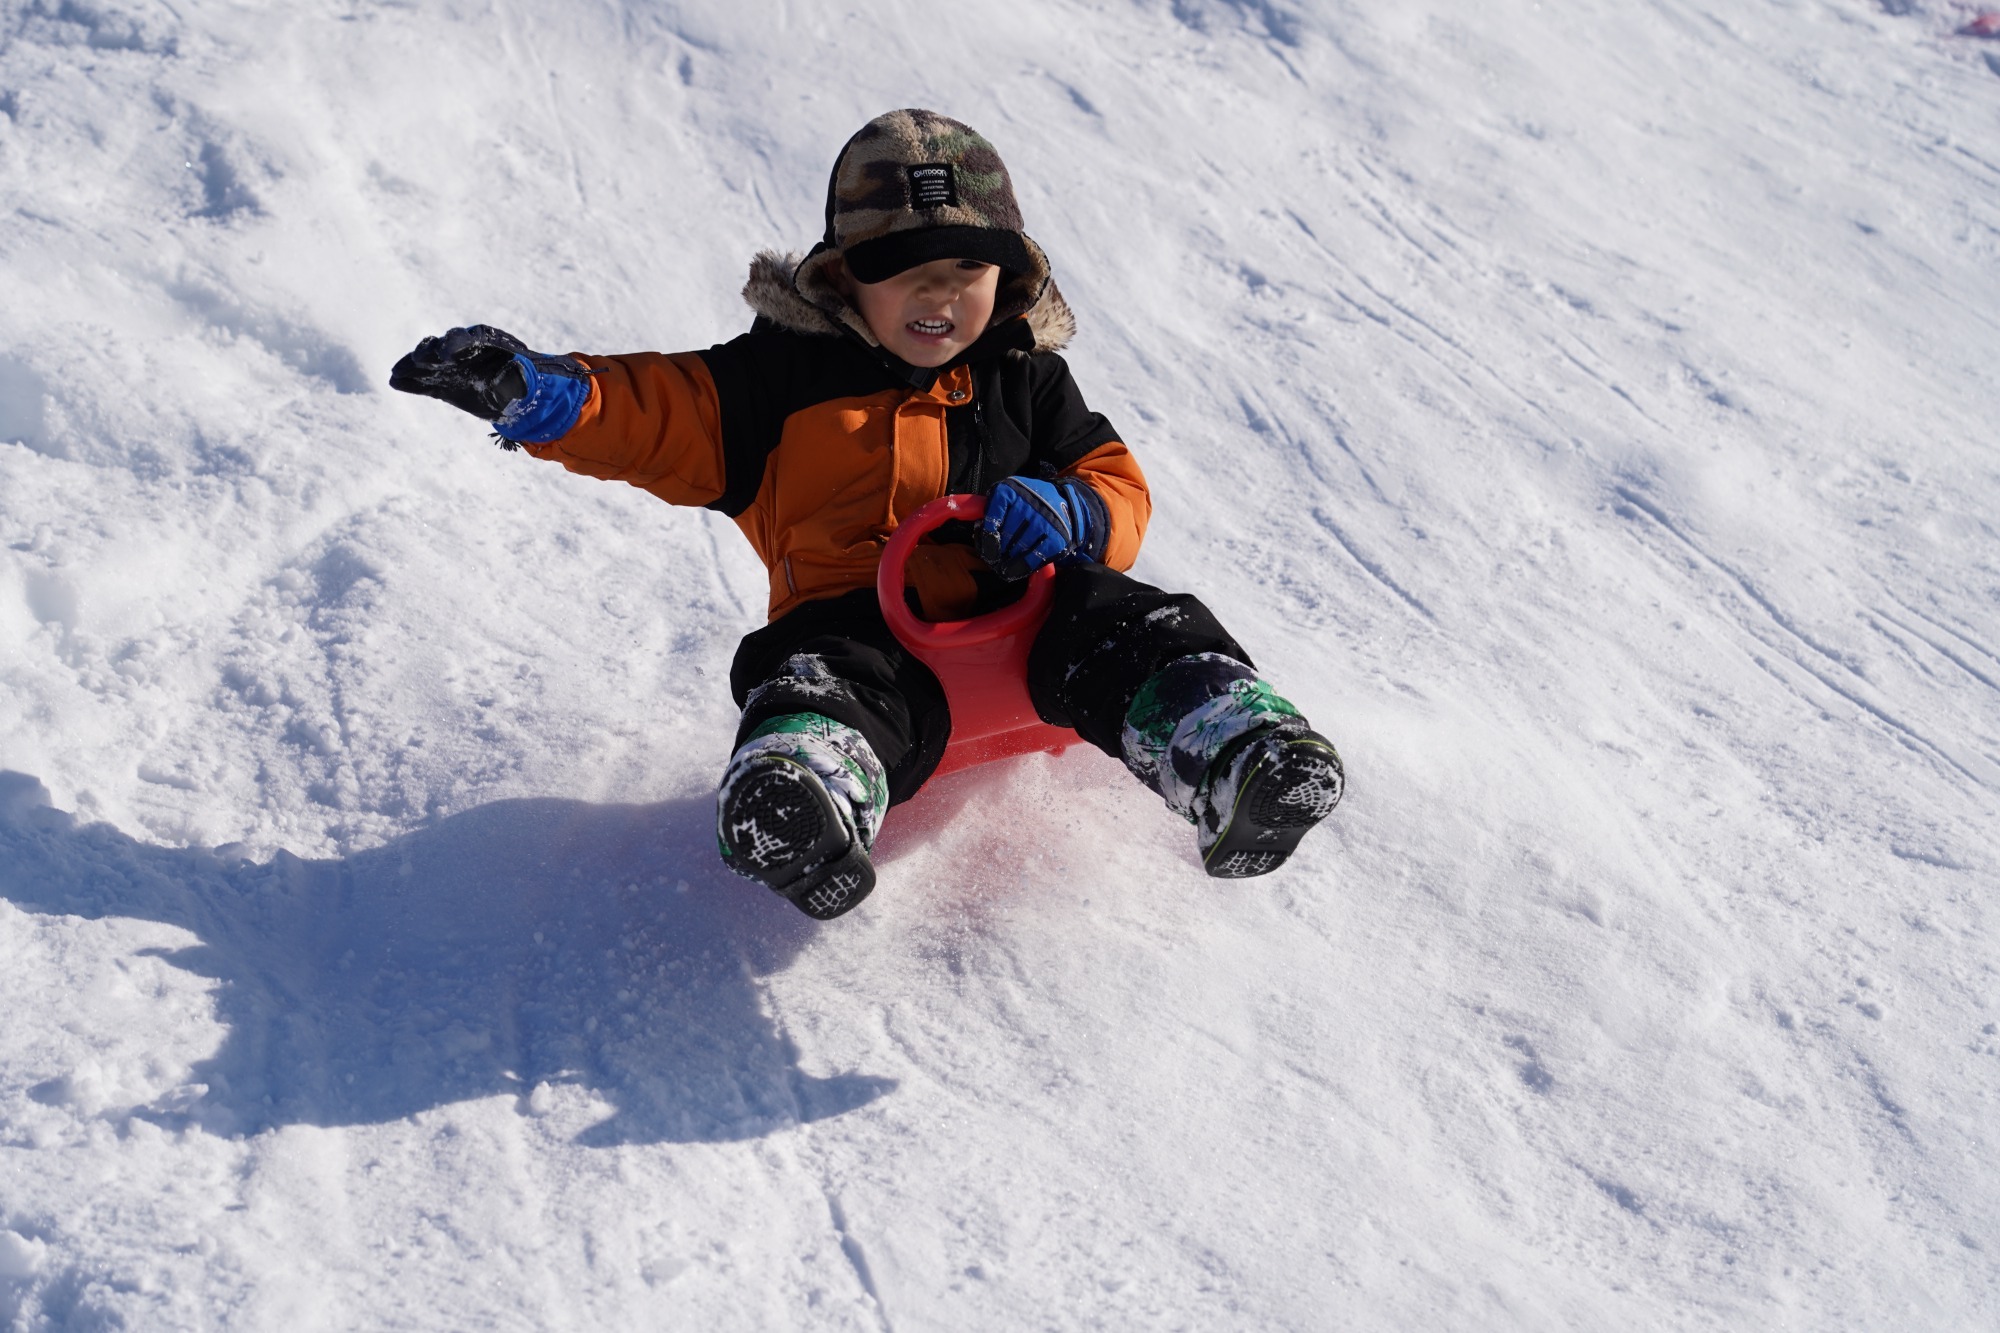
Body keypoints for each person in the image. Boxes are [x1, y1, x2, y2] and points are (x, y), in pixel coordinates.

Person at [390, 108, 1343, 920]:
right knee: (814, 671)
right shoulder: (777, 380)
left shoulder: (1024, 374)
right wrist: (548, 395)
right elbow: (658, 413)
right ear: (845, 276)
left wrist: (1073, 507)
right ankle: (806, 795)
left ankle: (1231, 748)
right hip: (870, 647)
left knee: (1128, 620)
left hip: (1034, 628)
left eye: (968, 268)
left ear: (1008, 280)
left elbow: (1116, 480)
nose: (940, 294)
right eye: (904, 266)